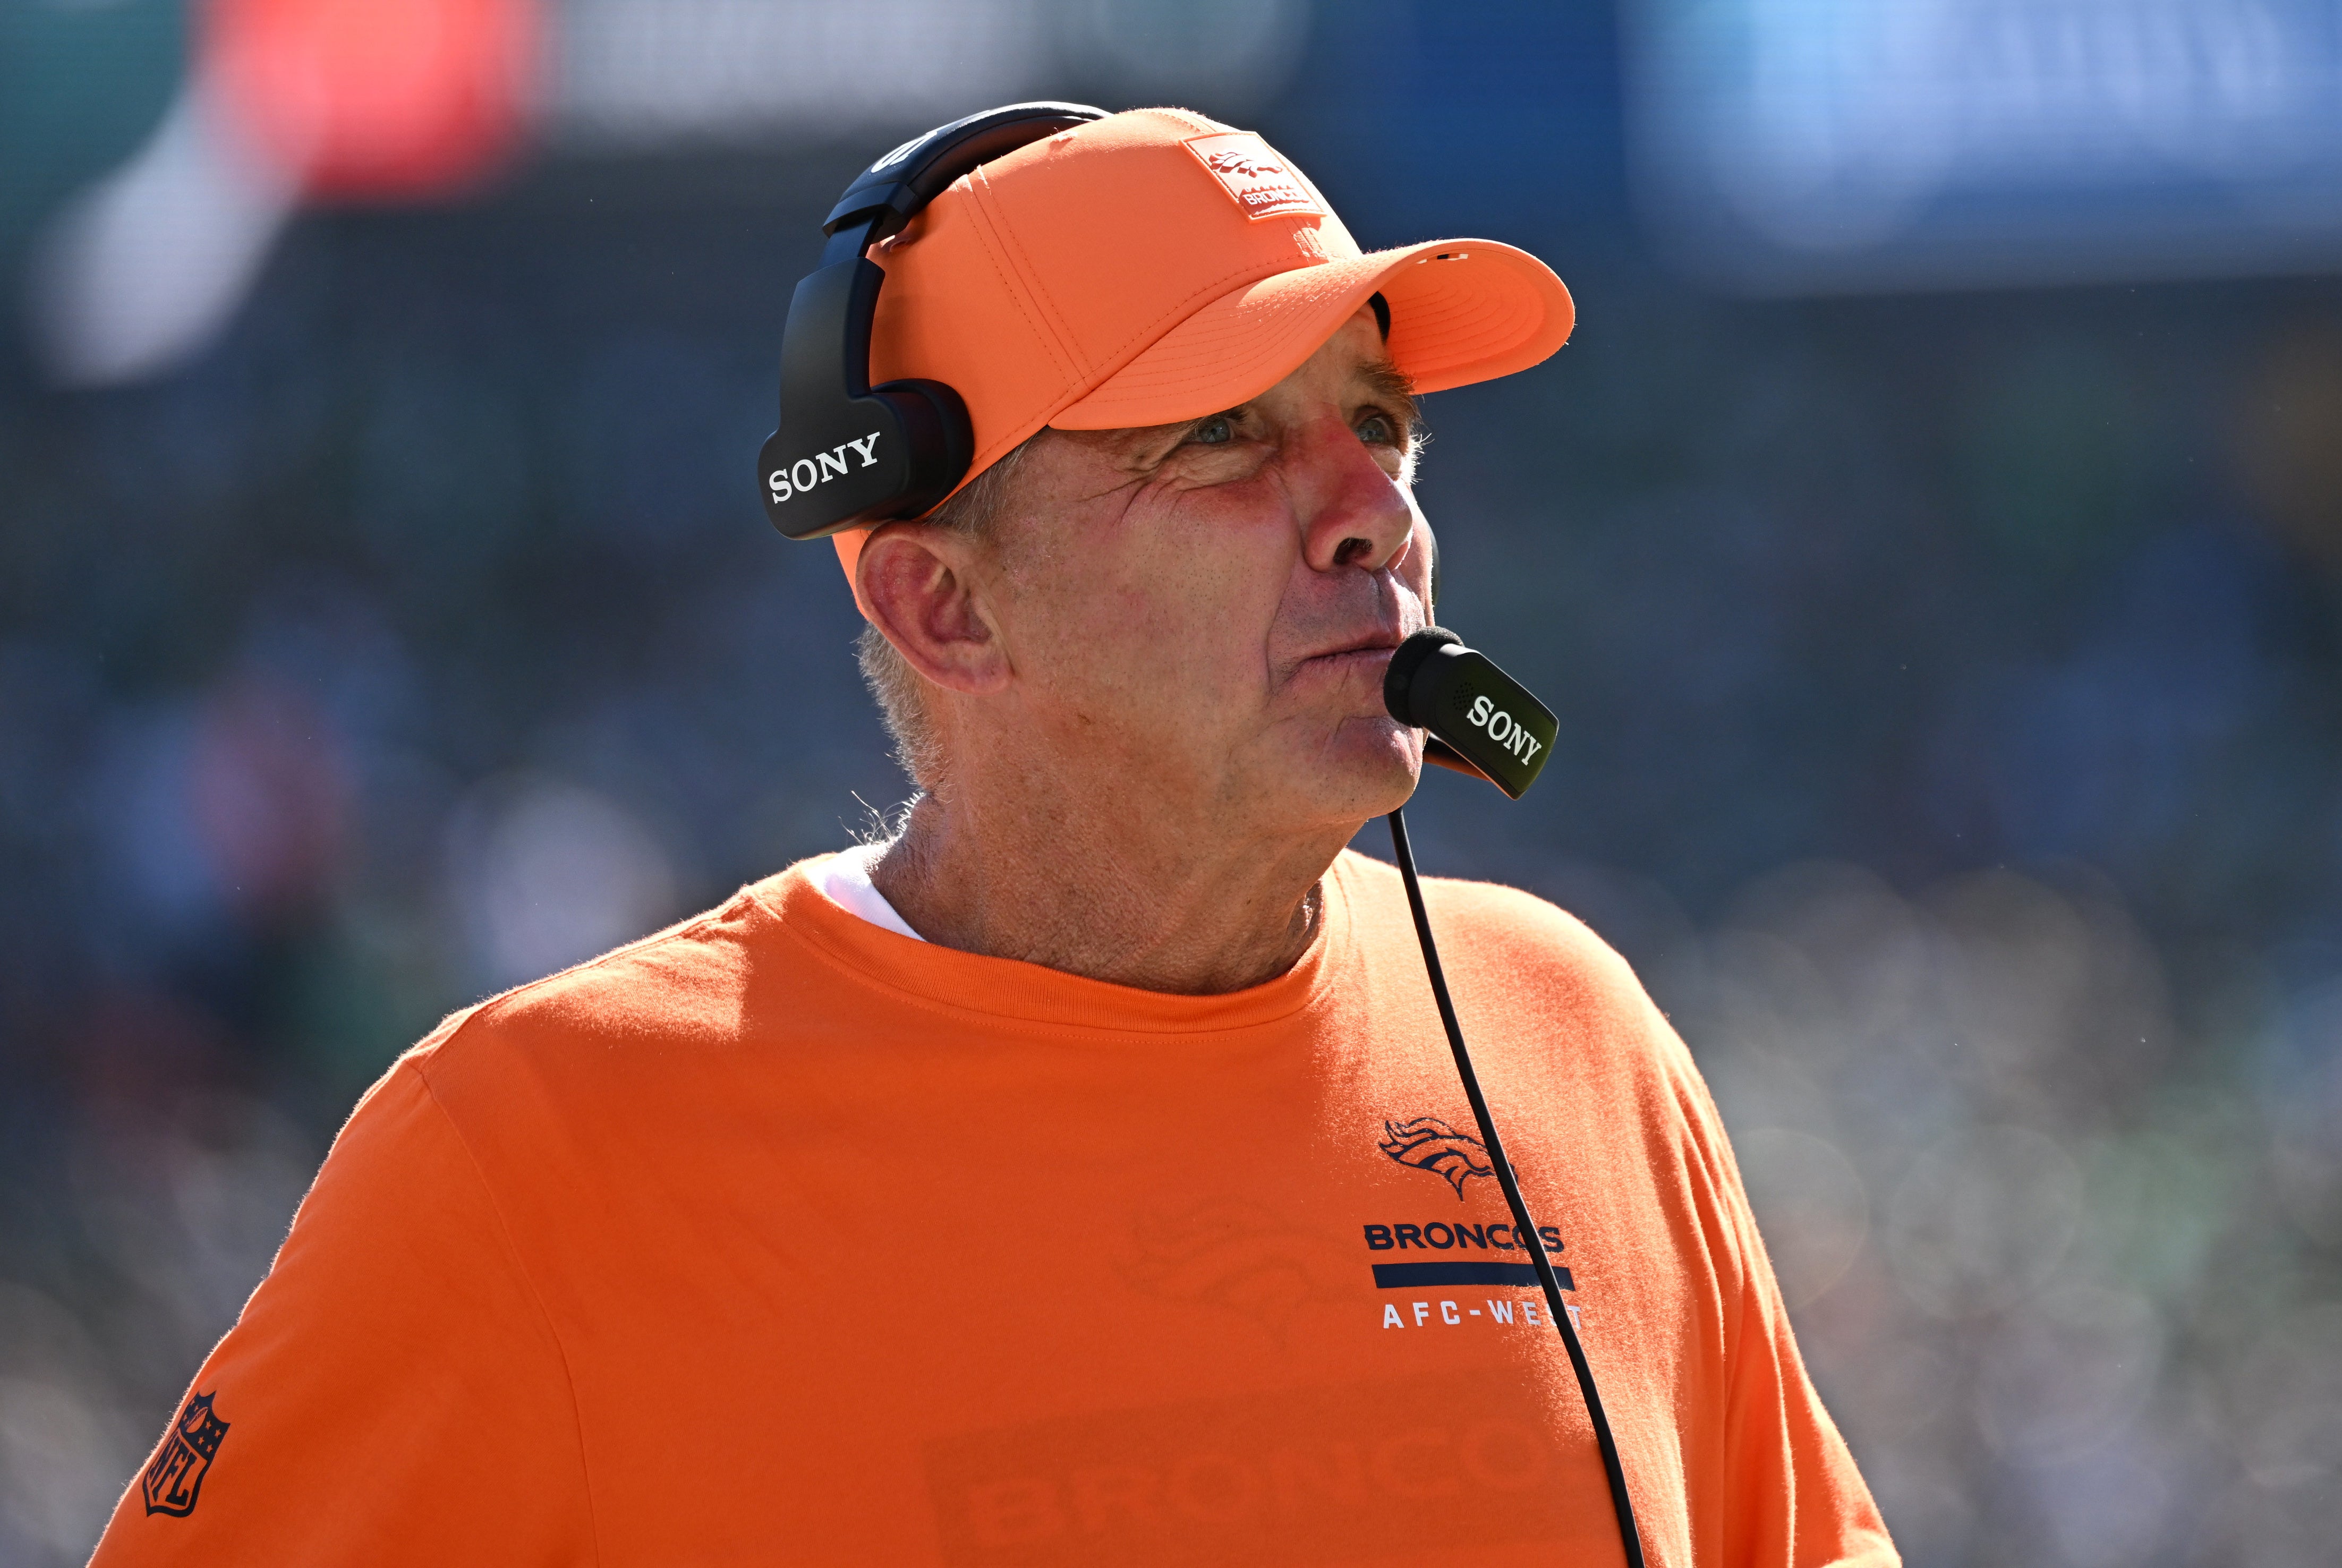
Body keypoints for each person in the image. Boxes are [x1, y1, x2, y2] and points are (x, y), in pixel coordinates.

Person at [91, 108, 1897, 1567]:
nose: (1370, 516)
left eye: (1377, 421)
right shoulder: (531, 1151)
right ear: (943, 609)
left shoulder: (1572, 1033)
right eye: (1219, 444)